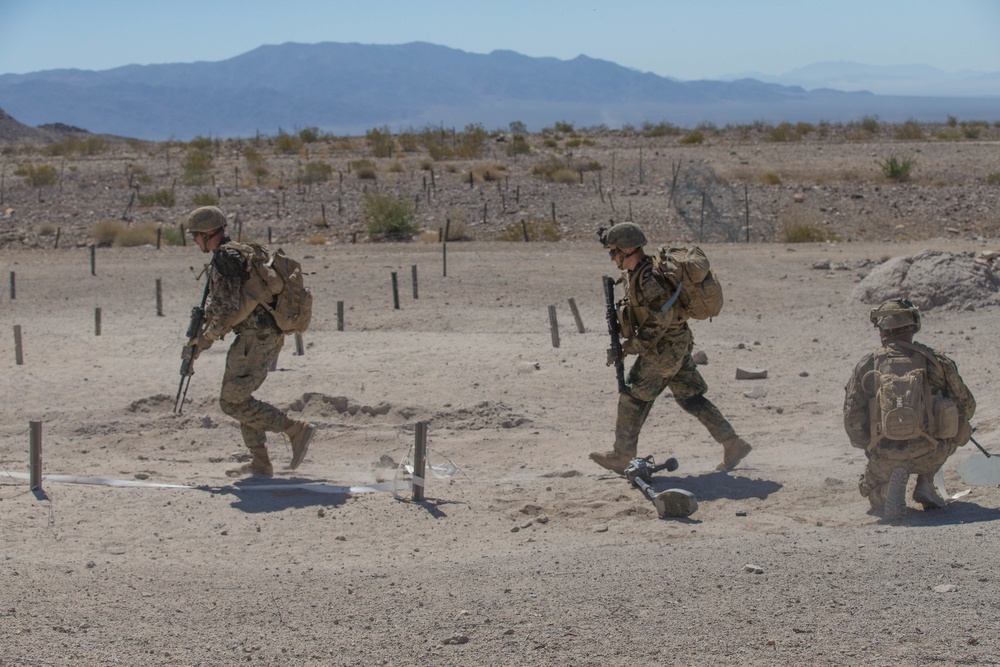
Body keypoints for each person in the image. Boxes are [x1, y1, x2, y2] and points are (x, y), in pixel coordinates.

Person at [590, 222, 752, 475]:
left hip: (664, 350)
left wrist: (632, 346)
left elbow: (661, 317)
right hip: (676, 345)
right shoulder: (638, 273)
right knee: (690, 397)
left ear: (629, 248)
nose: (612, 258)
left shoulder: (649, 278)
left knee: (633, 397)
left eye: (614, 252)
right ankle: (733, 443)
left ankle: (622, 456)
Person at [185, 205, 315, 477]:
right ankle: (260, 462)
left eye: (196, 235)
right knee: (241, 398)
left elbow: (225, 311)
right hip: (264, 336)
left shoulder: (224, 259)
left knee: (232, 402)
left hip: (255, 339)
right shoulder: (242, 251)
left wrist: (204, 341)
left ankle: (294, 429)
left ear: (209, 233)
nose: (194, 241)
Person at [843, 298, 975, 519]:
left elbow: (852, 420)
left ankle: (886, 491)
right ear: (914, 325)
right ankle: (925, 481)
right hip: (931, 452)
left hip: (885, 455)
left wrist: (870, 448)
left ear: (882, 331)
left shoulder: (867, 365)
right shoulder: (936, 361)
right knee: (959, 426)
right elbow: (967, 406)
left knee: (870, 493)